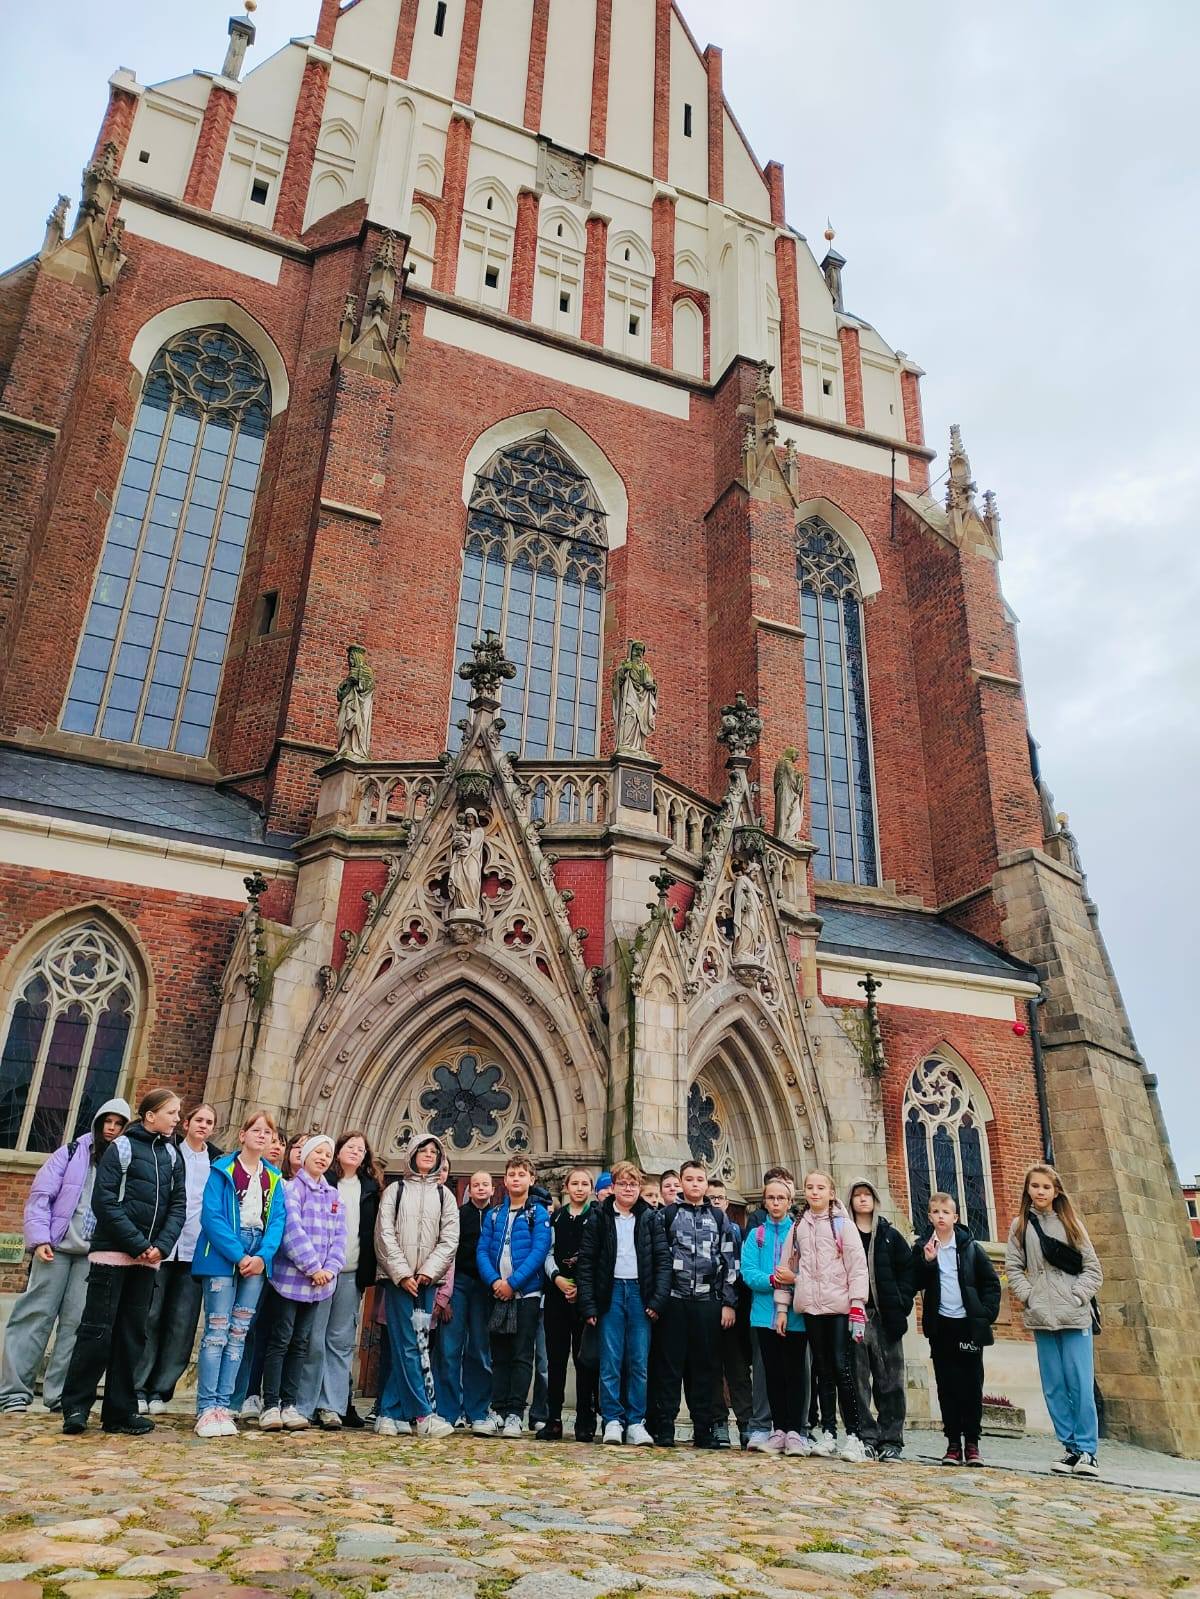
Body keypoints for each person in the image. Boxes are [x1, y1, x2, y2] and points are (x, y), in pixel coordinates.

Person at [60, 1088, 186, 1437]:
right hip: (112, 1256)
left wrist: (160, 1246)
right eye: (172, 1112)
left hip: (148, 1261)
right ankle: (76, 1407)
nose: (177, 1119)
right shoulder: (122, 1147)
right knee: (96, 1333)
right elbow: (104, 1201)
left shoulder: (173, 1155)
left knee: (132, 1337)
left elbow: (179, 1206)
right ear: (151, 1115)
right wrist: (138, 1244)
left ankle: (119, 1412)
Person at [0, 1097, 130, 1415]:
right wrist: (39, 1239)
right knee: (34, 1317)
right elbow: (40, 1197)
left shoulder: (125, 1162)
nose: (111, 1129)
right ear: (98, 1123)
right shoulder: (71, 1152)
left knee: (76, 1325)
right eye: (107, 1122)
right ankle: (14, 1392)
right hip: (55, 1249)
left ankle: (59, 1393)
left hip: (92, 1255)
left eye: (118, 1124)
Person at [191, 1110, 285, 1438]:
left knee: (239, 1332)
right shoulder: (222, 1171)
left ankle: (224, 1405)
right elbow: (211, 1216)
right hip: (223, 1254)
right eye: (256, 1130)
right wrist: (239, 1255)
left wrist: (262, 1256)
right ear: (242, 1135)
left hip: (257, 1256)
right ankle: (206, 1407)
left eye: (267, 1132)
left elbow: (277, 1221)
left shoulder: (273, 1178)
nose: (262, 1136)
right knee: (217, 1330)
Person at [1005, 1163, 1103, 1478]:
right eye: (1035, 1186)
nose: (1040, 1191)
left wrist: (1076, 1296)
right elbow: (1013, 1266)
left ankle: (1088, 1450)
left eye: (1046, 1187)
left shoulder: (1071, 1223)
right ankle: (1070, 1447)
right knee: (1054, 1386)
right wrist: (1029, 1295)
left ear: (1056, 1191)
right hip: (1041, 1318)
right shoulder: (1020, 1225)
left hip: (1074, 1317)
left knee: (1080, 1384)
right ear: (1028, 1189)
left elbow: (1093, 1269)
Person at [772, 1170, 869, 1462]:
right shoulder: (798, 1226)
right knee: (822, 1371)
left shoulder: (844, 1225)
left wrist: (857, 1305)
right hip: (812, 1307)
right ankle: (828, 1433)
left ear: (831, 1193)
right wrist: (782, 1307)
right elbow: (785, 1267)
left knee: (841, 1368)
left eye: (820, 1188)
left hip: (838, 1307)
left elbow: (857, 1266)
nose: (815, 1192)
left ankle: (854, 1436)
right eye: (810, 1187)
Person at [577, 1160, 669, 1446]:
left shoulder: (651, 1218)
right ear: (613, 1186)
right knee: (611, 1361)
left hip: (641, 1293)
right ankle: (612, 1420)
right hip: (611, 1293)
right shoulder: (599, 1217)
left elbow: (662, 1261)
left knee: (639, 1361)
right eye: (623, 1184)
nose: (628, 1189)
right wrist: (589, 1304)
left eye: (633, 1184)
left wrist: (657, 1300)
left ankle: (636, 1422)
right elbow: (587, 1262)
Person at [137, 1102, 221, 1415]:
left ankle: (161, 1390)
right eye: (198, 1120)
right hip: (162, 1247)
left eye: (209, 1122)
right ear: (186, 1124)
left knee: (181, 1324)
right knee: (151, 1316)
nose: (203, 1125)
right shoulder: (168, 1152)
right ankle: (138, 1385)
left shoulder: (218, 1161)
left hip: (195, 1250)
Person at [373, 1135, 459, 1438]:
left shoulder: (445, 1196)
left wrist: (427, 1273)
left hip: (427, 1282)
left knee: (416, 1346)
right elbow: (384, 1233)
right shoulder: (395, 1191)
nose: (428, 1155)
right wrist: (402, 1274)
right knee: (407, 1344)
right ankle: (423, 1414)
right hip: (399, 1281)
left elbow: (450, 1239)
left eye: (434, 1151)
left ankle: (388, 1412)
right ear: (411, 1154)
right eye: (423, 1150)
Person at [260, 1135, 346, 1431]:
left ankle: (289, 1403)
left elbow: (340, 1238)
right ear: (305, 1156)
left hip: (318, 1285)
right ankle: (270, 1404)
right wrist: (313, 1267)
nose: (322, 1158)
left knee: (301, 1343)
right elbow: (291, 1230)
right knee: (281, 1339)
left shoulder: (334, 1196)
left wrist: (330, 1269)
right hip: (290, 1280)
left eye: (327, 1154)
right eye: (317, 1152)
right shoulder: (290, 1189)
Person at [652, 1160, 739, 1449]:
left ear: (706, 1183)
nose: (694, 1184)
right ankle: (665, 1426)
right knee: (669, 1366)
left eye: (699, 1179)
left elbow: (730, 1262)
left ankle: (703, 1429)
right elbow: (659, 1259)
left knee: (705, 1368)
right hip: (674, 1301)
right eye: (689, 1179)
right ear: (681, 1182)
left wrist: (728, 1302)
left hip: (707, 1301)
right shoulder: (668, 1215)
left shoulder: (718, 1217)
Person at [299, 1130, 381, 1429]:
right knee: (313, 1339)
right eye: (350, 1146)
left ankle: (331, 1406)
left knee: (340, 1341)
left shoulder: (371, 1188)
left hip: (351, 1273)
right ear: (338, 1150)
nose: (356, 1151)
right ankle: (305, 1404)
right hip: (319, 1273)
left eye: (361, 1148)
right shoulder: (324, 1181)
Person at [913, 1190, 1001, 1467]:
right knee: (947, 1385)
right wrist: (927, 1262)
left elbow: (991, 1283)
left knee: (971, 1385)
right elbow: (915, 1281)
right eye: (935, 1212)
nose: (940, 1217)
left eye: (945, 1212)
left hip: (967, 1325)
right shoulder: (924, 1246)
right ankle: (952, 1443)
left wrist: (984, 1315)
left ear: (955, 1217)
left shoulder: (971, 1248)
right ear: (929, 1216)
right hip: (941, 1325)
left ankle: (972, 1443)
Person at [475, 1154, 551, 1438]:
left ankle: (515, 1414)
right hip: (498, 1294)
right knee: (499, 1355)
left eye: (522, 1174)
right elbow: (482, 1250)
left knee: (521, 1355)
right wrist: (495, 1281)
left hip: (526, 1294)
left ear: (532, 1179)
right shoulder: (494, 1215)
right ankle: (497, 1410)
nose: (516, 1179)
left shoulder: (538, 1214)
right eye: (512, 1174)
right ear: (504, 1181)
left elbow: (538, 1252)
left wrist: (513, 1283)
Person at [232, 1130, 305, 1420]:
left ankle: (264, 1394)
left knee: (275, 1333)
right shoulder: (268, 1178)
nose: (277, 1146)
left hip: (281, 1269)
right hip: (253, 1261)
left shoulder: (288, 1185)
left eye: (281, 1143)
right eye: (273, 1140)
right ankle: (245, 1393)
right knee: (249, 1328)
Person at [846, 1180, 915, 1461]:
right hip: (854, 1314)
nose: (862, 1199)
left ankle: (891, 1439)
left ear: (875, 1200)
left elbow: (908, 1271)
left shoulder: (890, 1235)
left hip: (885, 1316)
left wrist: (901, 1301)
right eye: (857, 1195)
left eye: (867, 1195)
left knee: (890, 1381)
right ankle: (866, 1437)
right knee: (857, 1381)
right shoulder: (844, 1233)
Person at [742, 1176, 807, 1454]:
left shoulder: (801, 1234)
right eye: (771, 1198)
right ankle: (777, 1429)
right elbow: (748, 1271)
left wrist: (791, 1280)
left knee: (796, 1374)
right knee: (771, 1374)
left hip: (796, 1316)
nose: (776, 1202)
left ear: (790, 1202)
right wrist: (772, 1280)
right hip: (763, 1314)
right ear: (765, 1202)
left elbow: (808, 1270)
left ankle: (797, 1430)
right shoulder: (756, 1235)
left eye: (781, 1198)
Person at [539, 1167, 598, 1442]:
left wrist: (580, 1288)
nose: (579, 1188)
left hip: (584, 1298)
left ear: (591, 1188)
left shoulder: (596, 1217)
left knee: (584, 1360)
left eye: (585, 1183)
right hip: (557, 1295)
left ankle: (585, 1420)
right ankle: (553, 1419)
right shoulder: (556, 1217)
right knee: (556, 1359)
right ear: (566, 1186)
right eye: (575, 1183)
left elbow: (597, 1256)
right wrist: (558, 1279)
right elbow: (548, 1252)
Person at [437, 1170, 495, 1430]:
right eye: (476, 1185)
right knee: (450, 1349)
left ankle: (477, 1410)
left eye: (485, 1184)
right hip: (458, 1284)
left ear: (493, 1189)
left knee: (480, 1350)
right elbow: (448, 1254)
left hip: (485, 1287)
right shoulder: (458, 1215)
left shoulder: (497, 1216)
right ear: (469, 1190)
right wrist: (445, 1296)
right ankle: (449, 1411)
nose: (481, 1188)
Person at [707, 1177, 753, 1449]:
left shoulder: (737, 1232)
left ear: (726, 1202)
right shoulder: (698, 1226)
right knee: (712, 1368)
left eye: (720, 1198)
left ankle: (746, 1423)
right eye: (711, 1198)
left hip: (732, 1308)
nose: (716, 1202)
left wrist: (730, 1304)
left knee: (738, 1369)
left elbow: (737, 1271)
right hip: (705, 1305)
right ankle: (719, 1423)